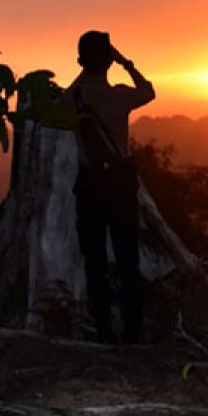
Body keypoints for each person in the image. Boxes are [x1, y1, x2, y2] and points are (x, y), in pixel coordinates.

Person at [65, 31, 155, 344]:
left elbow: (55, 109)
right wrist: (125, 63)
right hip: (120, 182)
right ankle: (133, 327)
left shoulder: (75, 99)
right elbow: (148, 91)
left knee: (94, 257)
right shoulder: (120, 95)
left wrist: (83, 72)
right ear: (108, 62)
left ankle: (103, 327)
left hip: (89, 184)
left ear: (81, 62)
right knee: (127, 255)